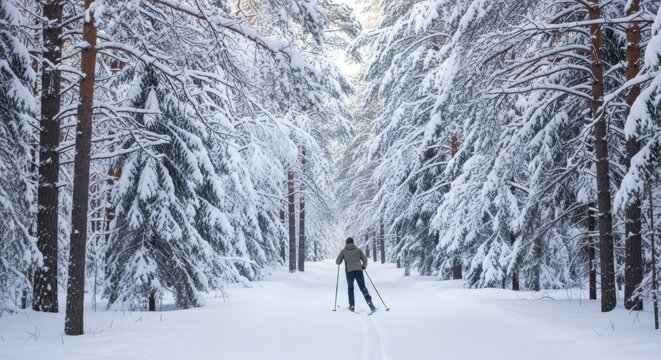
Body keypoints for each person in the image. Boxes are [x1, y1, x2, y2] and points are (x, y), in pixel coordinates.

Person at [336, 237, 376, 312]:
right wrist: (363, 266)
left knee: (350, 288)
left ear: (346, 243)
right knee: (363, 287)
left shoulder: (343, 251)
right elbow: (365, 259)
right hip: (359, 271)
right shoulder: (358, 250)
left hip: (349, 272)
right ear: (353, 242)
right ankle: (371, 305)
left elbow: (338, 262)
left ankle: (352, 306)